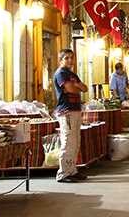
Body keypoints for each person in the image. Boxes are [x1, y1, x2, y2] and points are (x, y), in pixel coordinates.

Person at [53, 48, 88, 183]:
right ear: (60, 60)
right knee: (68, 142)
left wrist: (76, 85)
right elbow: (70, 88)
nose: (69, 60)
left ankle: (72, 170)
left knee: (75, 142)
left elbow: (85, 88)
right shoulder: (61, 73)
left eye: (71, 58)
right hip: (66, 111)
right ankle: (63, 173)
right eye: (66, 58)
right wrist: (76, 86)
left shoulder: (72, 74)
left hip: (76, 110)